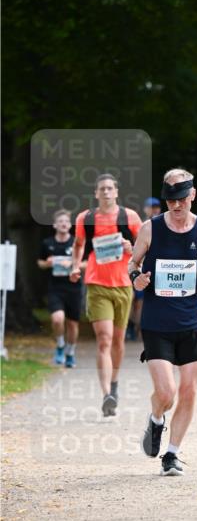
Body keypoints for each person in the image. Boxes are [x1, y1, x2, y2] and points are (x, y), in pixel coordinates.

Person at [128, 167, 197, 475]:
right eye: (171, 201)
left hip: (192, 320)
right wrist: (135, 280)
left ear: (193, 195)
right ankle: (156, 419)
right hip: (157, 322)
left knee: (189, 390)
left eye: (181, 199)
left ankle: (172, 453)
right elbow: (133, 264)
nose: (176, 206)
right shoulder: (150, 228)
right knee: (166, 393)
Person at [69, 174, 142, 415]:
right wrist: (74, 266)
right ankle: (106, 395)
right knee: (104, 339)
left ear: (117, 192)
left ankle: (114, 384)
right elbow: (79, 244)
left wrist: (131, 247)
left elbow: (145, 244)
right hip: (96, 283)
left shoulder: (129, 217)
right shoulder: (86, 218)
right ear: (96, 193)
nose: (107, 192)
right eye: (102, 189)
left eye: (110, 188)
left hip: (123, 284)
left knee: (118, 342)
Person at [37, 209, 84, 368]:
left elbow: (88, 263)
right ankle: (60, 345)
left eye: (66, 221)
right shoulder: (47, 243)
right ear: (55, 225)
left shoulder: (77, 242)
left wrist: (73, 264)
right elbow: (40, 263)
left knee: (72, 325)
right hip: (55, 288)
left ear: (70, 225)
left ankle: (70, 353)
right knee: (57, 319)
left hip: (74, 288)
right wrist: (48, 263)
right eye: (61, 221)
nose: (64, 224)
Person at [127, 197, 163, 342]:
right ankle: (130, 326)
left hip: (150, 270)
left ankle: (140, 328)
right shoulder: (138, 225)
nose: (154, 210)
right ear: (145, 209)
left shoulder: (163, 225)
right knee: (130, 300)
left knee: (141, 303)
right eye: (151, 207)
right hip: (134, 267)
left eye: (156, 207)